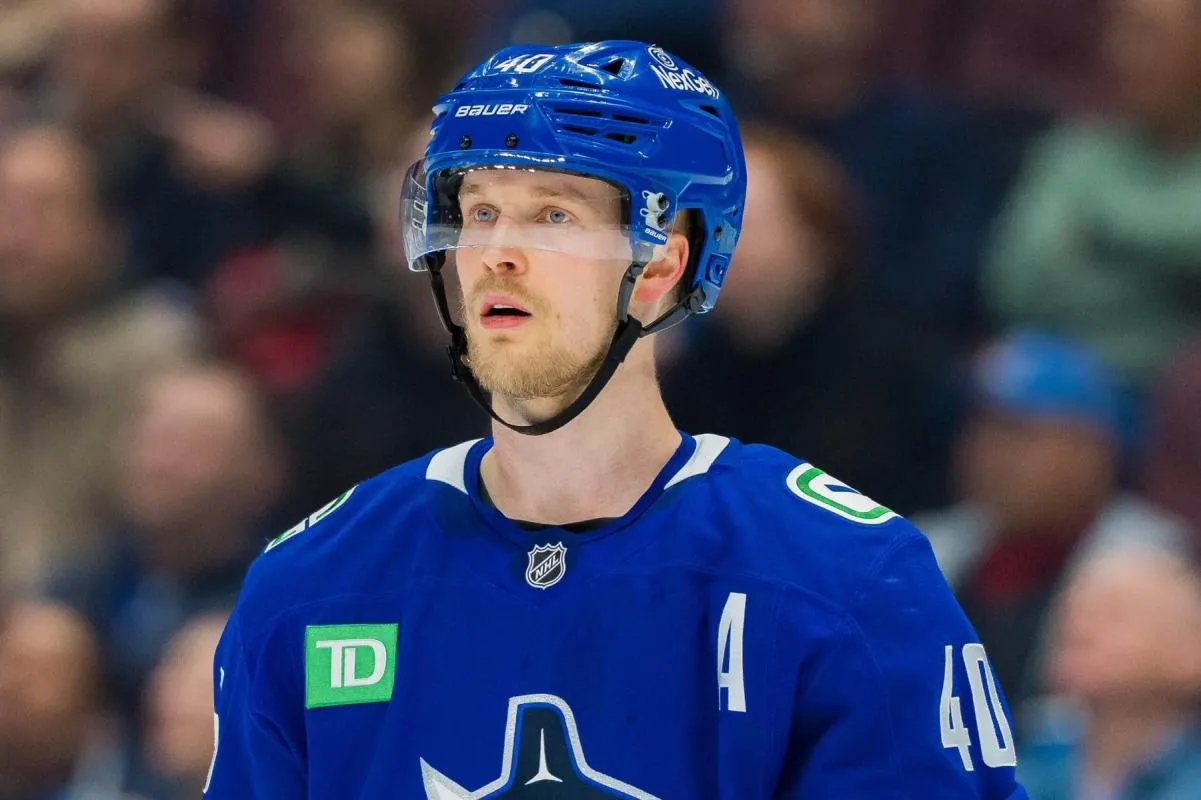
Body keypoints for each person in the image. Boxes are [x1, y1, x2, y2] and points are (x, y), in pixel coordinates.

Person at [205, 41, 1027, 798]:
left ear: (662, 265)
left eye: (553, 215)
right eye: (479, 211)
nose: (497, 252)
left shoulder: (846, 577)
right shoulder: (312, 584)